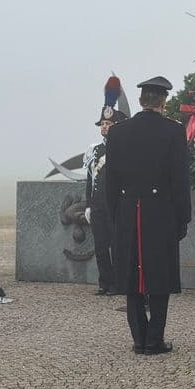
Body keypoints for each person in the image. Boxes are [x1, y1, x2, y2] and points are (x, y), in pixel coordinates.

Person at [105, 76, 191, 355]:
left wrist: (116, 217)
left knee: (131, 279)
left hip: (128, 211)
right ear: (163, 101)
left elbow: (111, 184)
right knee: (159, 277)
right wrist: (183, 218)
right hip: (161, 212)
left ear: (142, 101)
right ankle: (154, 339)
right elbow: (180, 180)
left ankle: (138, 338)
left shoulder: (117, 132)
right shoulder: (174, 132)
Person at [84, 76, 128, 295]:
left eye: (108, 124)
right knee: (100, 247)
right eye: (102, 123)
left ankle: (119, 284)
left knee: (117, 246)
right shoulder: (94, 150)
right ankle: (105, 283)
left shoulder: (122, 148)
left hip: (116, 204)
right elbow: (90, 179)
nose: (104, 127)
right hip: (99, 205)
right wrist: (88, 205)